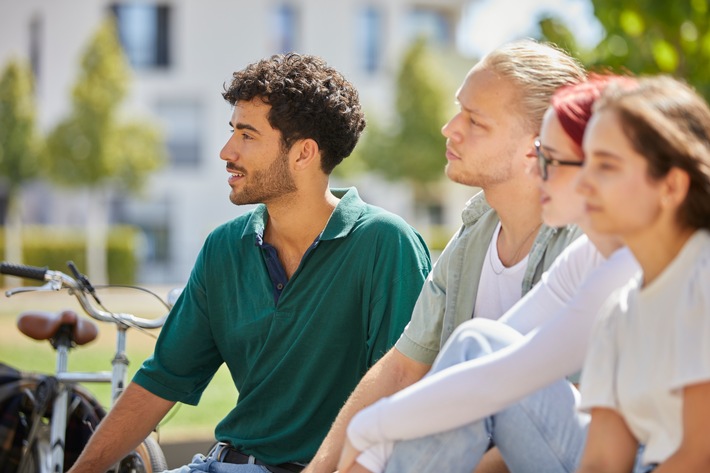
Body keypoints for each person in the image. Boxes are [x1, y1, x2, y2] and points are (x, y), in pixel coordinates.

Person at [67, 53, 432, 473]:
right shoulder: (224, 247)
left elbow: (403, 398)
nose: (226, 151)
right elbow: (160, 381)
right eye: (232, 132)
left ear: (303, 153)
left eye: (247, 135)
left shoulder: (385, 244)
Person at [305, 39, 587, 473]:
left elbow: (575, 412)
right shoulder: (473, 236)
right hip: (453, 452)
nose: (450, 127)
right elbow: (401, 369)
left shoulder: (587, 241)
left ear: (538, 143)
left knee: (476, 353)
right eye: (459, 110)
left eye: (475, 121)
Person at [338, 75, 642, 473]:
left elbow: (499, 376)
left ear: (606, 168)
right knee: (477, 343)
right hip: (595, 454)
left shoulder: (647, 267)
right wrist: (370, 442)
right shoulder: (590, 256)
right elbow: (490, 363)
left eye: (549, 158)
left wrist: (368, 431)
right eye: (538, 154)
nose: (538, 172)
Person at [576, 76, 710, 472]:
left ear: (671, 185)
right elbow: (602, 462)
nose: (583, 182)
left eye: (606, 165)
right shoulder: (618, 314)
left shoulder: (703, 280)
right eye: (586, 162)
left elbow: (700, 456)